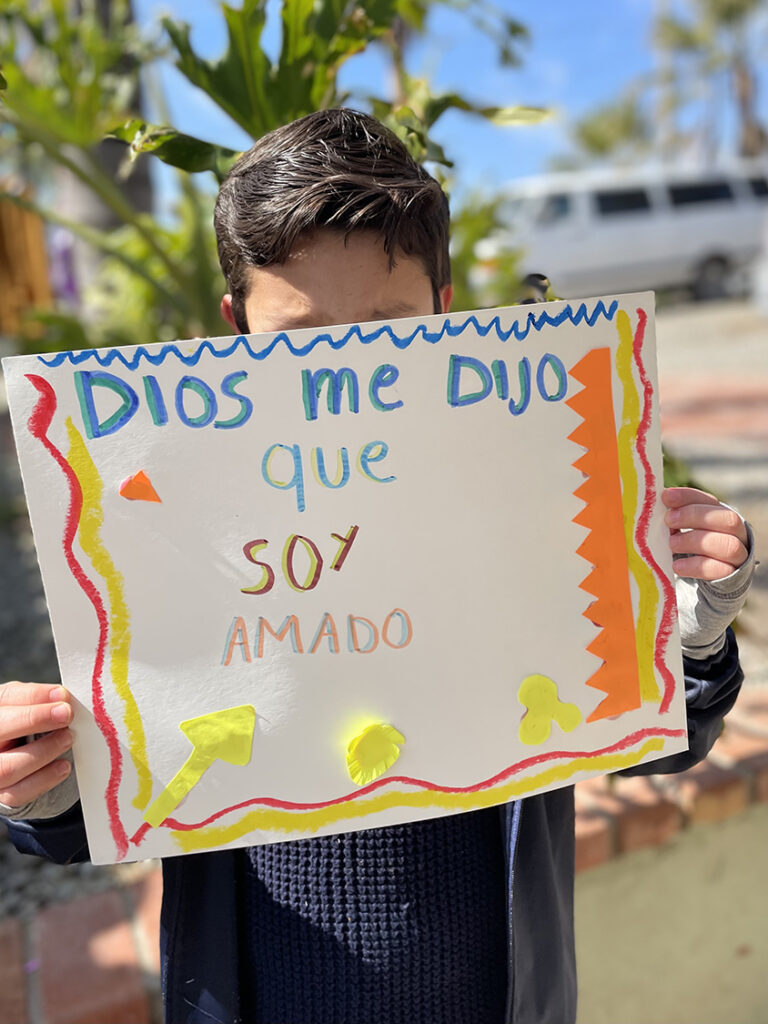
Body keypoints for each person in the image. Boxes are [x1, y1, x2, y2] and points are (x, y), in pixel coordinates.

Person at [0, 109, 756, 1024]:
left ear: (442, 306)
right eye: (301, 335)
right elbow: (119, 801)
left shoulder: (531, 496)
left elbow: (655, 742)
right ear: (235, 327)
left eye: (388, 326)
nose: (346, 371)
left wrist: (691, 638)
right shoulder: (174, 525)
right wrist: (48, 784)